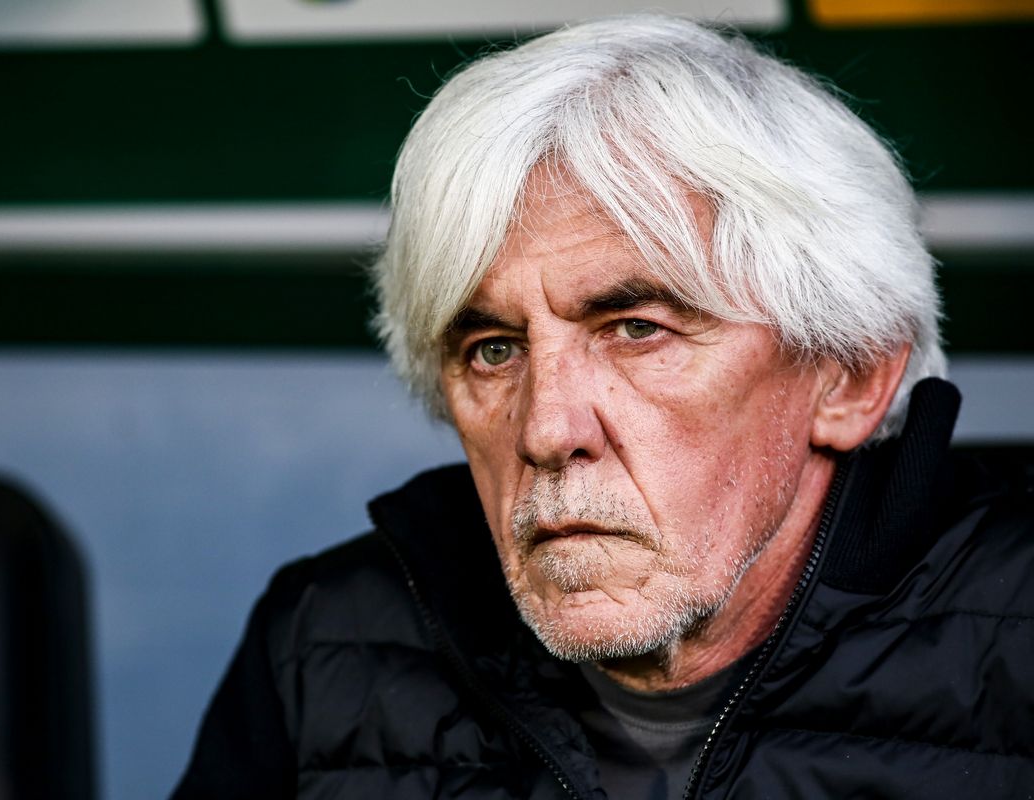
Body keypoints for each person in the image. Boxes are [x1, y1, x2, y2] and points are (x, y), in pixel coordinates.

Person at [172, 15, 1033, 799]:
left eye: (637, 330)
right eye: (494, 350)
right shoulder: (325, 643)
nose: (548, 429)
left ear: (850, 378)